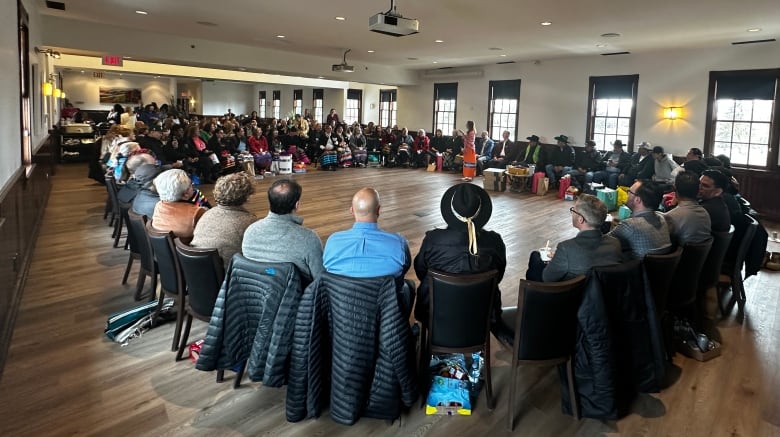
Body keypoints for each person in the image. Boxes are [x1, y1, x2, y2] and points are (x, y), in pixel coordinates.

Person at [414, 184, 506, 327]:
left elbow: (421, 270)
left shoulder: (433, 239)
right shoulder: (494, 242)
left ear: (451, 210)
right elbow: (498, 276)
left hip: (434, 313)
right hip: (482, 316)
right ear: (480, 211)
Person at [322, 188, 413, 315]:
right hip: (385, 317)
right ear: (378, 210)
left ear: (351, 211)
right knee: (409, 287)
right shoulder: (399, 243)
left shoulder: (333, 241)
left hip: (341, 315)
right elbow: (405, 268)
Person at [242, 179, 324, 284]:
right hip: (294, 297)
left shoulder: (250, 231)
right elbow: (320, 279)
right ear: (297, 205)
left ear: (270, 201)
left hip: (254, 291)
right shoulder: (309, 238)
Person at [526, 194, 623, 282]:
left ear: (581, 219)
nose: (572, 213)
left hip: (571, 297)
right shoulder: (615, 244)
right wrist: (559, 259)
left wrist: (558, 259)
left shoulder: (566, 248)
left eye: (573, 210)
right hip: (602, 295)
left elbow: (547, 278)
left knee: (535, 257)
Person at [191, 172, 257, 267]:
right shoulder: (249, 222)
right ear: (247, 197)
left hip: (196, 269)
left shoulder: (206, 214)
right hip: (229, 275)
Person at [608, 179, 672, 259]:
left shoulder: (629, 225)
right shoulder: (662, 219)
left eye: (629, 192)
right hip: (663, 270)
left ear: (637, 200)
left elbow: (603, 244)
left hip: (635, 269)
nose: (627, 194)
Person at [150, 169, 207, 244]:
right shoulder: (197, 212)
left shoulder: (158, 206)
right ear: (185, 194)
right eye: (191, 185)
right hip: (190, 252)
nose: (193, 187)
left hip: (164, 253)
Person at [664, 171, 712, 246]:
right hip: (701, 257)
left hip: (682, 256)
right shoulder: (705, 213)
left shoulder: (671, 216)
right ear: (698, 191)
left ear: (675, 189)